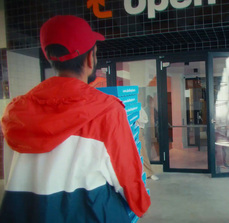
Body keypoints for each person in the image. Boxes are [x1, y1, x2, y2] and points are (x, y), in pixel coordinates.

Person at [0, 15, 150, 222]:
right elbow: (126, 175)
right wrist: (140, 204)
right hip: (92, 213)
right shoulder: (106, 110)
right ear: (90, 59)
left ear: (49, 56)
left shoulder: (15, 113)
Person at [136, 108, 159, 180]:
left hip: (136, 129)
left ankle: (149, 173)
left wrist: (135, 118)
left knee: (142, 151)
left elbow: (145, 119)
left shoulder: (137, 107)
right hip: (124, 129)